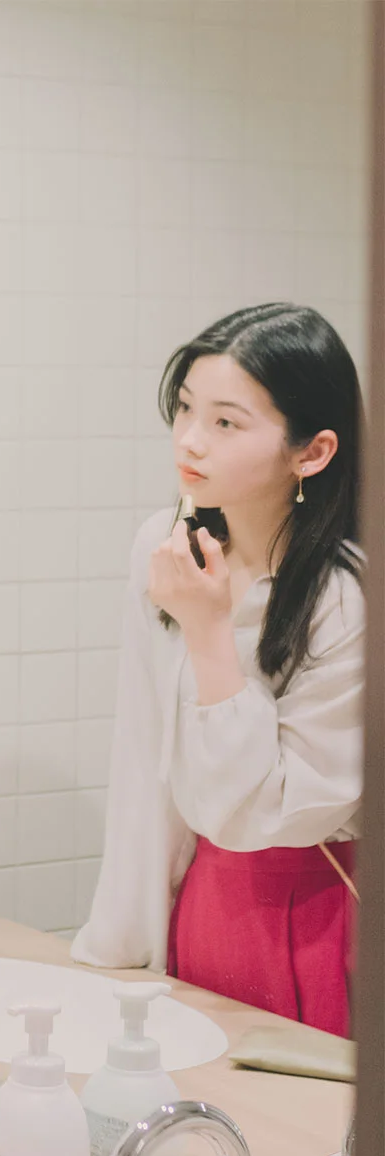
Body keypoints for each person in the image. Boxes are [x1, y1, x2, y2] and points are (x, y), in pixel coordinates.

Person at [72, 303, 364, 1036]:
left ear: (312, 452)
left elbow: (261, 813)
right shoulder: (165, 544)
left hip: (315, 914)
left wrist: (207, 632)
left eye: (226, 422)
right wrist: (116, 947)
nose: (190, 440)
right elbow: (144, 761)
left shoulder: (346, 597)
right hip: (203, 903)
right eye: (185, 408)